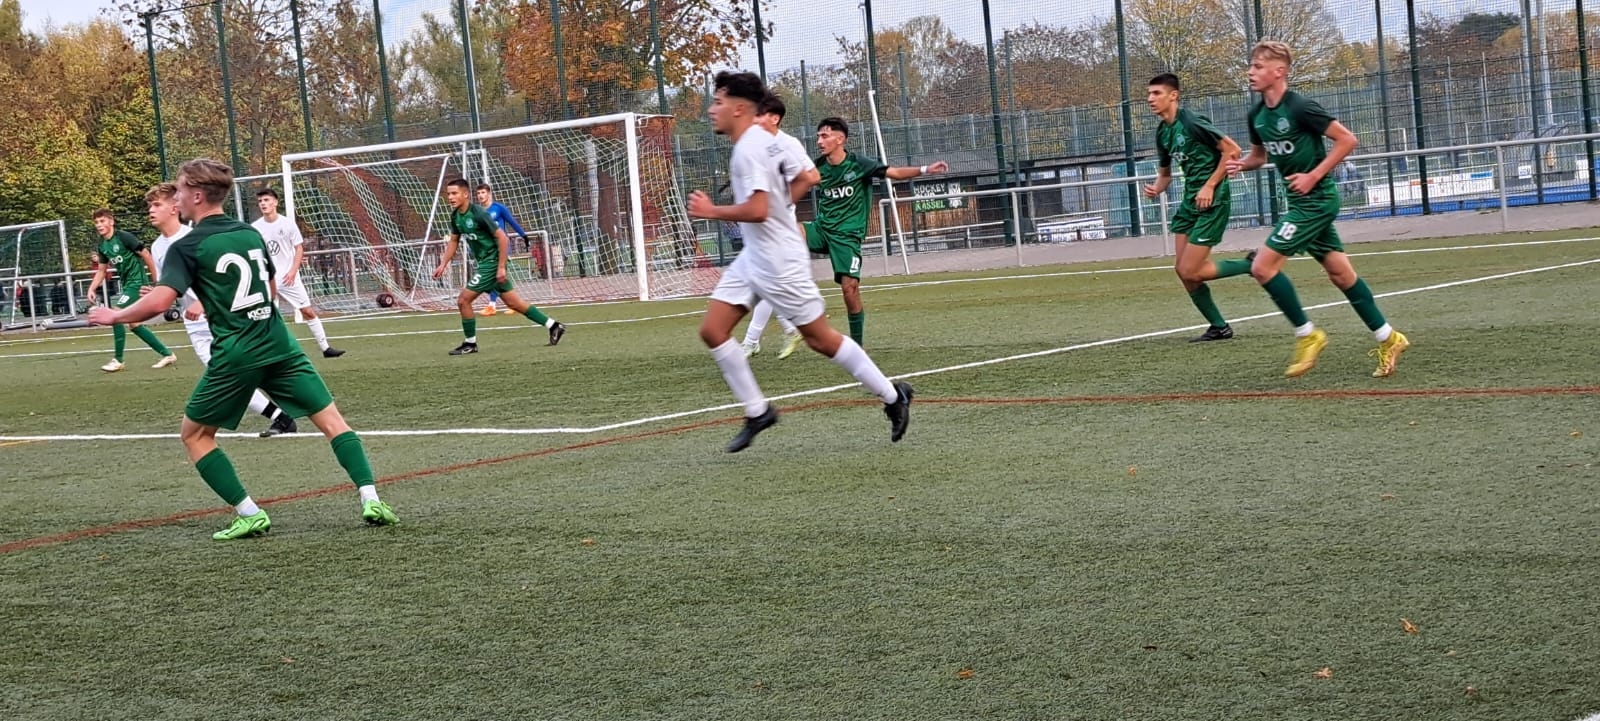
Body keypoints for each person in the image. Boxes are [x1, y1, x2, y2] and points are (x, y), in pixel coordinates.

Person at [88, 159, 398, 540]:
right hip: (280, 344)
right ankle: (371, 498)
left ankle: (249, 513)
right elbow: (269, 288)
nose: (176, 196)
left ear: (197, 196)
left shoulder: (188, 246)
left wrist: (115, 315)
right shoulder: (250, 233)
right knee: (333, 421)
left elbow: (161, 302)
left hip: (236, 353)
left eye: (180, 189)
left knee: (194, 435)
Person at [687, 70, 912, 453]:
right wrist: (781, 205)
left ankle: (894, 396)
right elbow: (803, 178)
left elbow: (759, 209)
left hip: (779, 261)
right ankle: (758, 411)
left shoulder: (751, 148)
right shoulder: (766, 140)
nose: (712, 109)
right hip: (755, 256)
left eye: (718, 101)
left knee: (820, 340)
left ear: (739, 108)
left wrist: (713, 211)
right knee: (713, 330)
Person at [1225, 41, 1410, 378]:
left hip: (1317, 200)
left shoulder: (1300, 107)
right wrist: (1242, 165)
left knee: (1262, 267)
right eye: (1251, 66)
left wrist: (1313, 175)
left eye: (1258, 66)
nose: (1250, 72)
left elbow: (1347, 140)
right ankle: (1389, 338)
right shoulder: (1256, 115)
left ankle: (1307, 335)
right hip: (1299, 201)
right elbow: (1260, 157)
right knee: (1341, 275)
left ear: (1279, 71)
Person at [147, 182, 298, 438]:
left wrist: (204, 301)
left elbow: (226, 279)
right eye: (149, 205)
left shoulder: (195, 238)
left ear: (174, 208)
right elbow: (172, 287)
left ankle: (294, 413)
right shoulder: (157, 246)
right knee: (227, 375)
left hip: (224, 316)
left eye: (156, 204)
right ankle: (281, 417)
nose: (150, 210)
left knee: (234, 373)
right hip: (194, 323)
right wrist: (156, 294)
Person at [809, 117, 948, 346]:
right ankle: (796, 311)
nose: (819, 141)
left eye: (824, 136)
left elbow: (895, 172)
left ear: (840, 139)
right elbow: (795, 181)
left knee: (850, 290)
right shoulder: (817, 167)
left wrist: (925, 169)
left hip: (847, 237)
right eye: (818, 137)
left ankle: (857, 347)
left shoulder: (859, 164)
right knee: (786, 234)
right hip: (821, 229)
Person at [1142, 72, 1254, 342]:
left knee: (1190, 270)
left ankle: (1251, 265)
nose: (1150, 99)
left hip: (1213, 201)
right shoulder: (1163, 132)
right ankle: (1219, 327)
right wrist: (1156, 188)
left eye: (1156, 93)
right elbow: (1165, 175)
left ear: (1173, 96)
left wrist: (1210, 185)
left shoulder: (1191, 122)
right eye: (1149, 94)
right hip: (1190, 202)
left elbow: (1233, 150)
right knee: (1183, 272)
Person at [432, 178, 566, 355]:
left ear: (465, 194)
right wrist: (443, 264)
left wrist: (501, 267)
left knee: (463, 300)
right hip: (485, 262)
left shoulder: (478, 213)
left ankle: (470, 344)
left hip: (492, 263)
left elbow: (503, 238)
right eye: (449, 194)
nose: (450, 197)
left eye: (454, 193)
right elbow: (454, 241)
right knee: (513, 303)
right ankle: (553, 326)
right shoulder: (456, 215)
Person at [741, 92, 821, 360]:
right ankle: (785, 329)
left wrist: (783, 197)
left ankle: (754, 340)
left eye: (759, 115)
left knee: (764, 281)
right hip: (761, 224)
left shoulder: (788, 144)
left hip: (778, 225)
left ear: (774, 118)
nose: (754, 120)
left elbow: (813, 176)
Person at [251, 189, 346, 358]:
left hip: (289, 277)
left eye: (266, 200)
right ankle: (265, 353)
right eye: (260, 201)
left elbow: (299, 248)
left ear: (275, 202)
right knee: (266, 316)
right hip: (267, 279)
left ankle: (325, 348)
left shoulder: (288, 224)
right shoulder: (255, 228)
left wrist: (293, 271)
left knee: (307, 311)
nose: (263, 204)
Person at [84, 209, 177, 372]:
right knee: (134, 324)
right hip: (127, 285)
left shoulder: (124, 237)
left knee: (116, 313)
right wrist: (91, 288)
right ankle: (167, 354)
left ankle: (118, 360)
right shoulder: (102, 245)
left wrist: (156, 281)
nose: (99, 225)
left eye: (102, 221)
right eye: (97, 222)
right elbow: (101, 270)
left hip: (138, 284)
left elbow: (146, 255)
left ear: (111, 222)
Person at [472, 184, 537, 315]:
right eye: (478, 193)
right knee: (498, 278)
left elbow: (512, 222)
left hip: (501, 246)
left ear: (489, 193)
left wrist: (524, 236)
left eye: (483, 192)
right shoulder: (477, 212)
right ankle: (514, 304)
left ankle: (492, 306)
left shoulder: (498, 208)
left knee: (495, 276)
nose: (480, 195)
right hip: (488, 249)